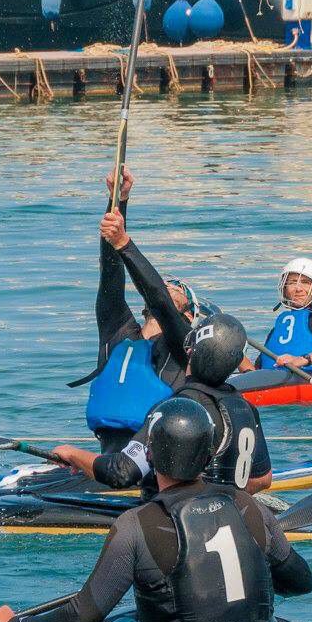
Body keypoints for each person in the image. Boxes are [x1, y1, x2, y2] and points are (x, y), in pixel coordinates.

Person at [0, 396, 312, 622]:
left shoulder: (135, 525)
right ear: (211, 453)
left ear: (151, 456)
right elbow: (301, 583)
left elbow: (80, 618)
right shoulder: (250, 507)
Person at [52, 309, 273, 497]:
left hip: (173, 519)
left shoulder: (177, 408)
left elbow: (122, 471)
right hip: (232, 511)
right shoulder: (246, 408)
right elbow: (262, 480)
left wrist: (72, 454)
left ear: (191, 352)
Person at [70, 168, 197, 452]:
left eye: (179, 290)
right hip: (109, 458)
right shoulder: (117, 333)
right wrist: (118, 200)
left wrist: (124, 242)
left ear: (188, 316)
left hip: (157, 464)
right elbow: (110, 277)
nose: (170, 287)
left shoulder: (183, 344)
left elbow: (160, 301)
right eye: (166, 284)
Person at [245, 257, 312, 376]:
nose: (298, 289)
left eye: (305, 282)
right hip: (272, 381)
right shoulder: (280, 325)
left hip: (308, 378)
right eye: (293, 282)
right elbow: (259, 366)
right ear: (284, 289)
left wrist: (302, 360)